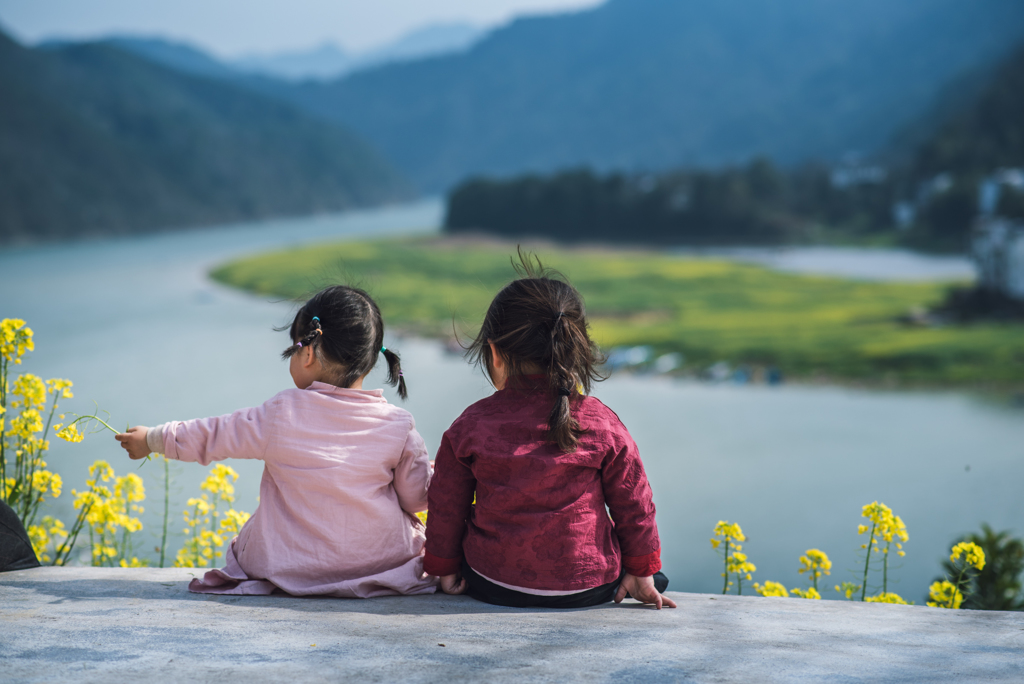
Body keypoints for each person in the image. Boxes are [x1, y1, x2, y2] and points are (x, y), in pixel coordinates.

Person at [115, 285, 436, 598]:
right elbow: (416, 500)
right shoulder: (398, 424)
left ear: (308, 352)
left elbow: (213, 434)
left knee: (252, 535)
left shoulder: (282, 413)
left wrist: (153, 439)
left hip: (289, 566)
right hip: (380, 563)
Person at [423, 253, 676, 609]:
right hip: (587, 587)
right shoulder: (602, 423)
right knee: (656, 577)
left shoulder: (470, 425)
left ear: (495, 353)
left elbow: (446, 505)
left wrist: (444, 569)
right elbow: (635, 505)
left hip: (493, 583)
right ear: (576, 350)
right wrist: (641, 570)